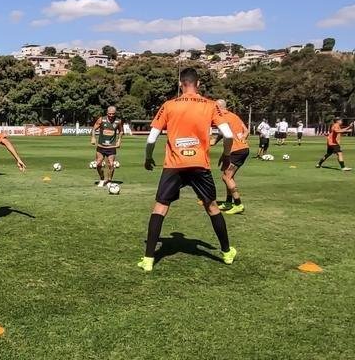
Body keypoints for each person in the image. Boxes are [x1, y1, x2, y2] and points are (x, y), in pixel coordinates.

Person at [139, 67, 237, 271]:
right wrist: (226, 155)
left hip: (174, 164)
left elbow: (151, 138)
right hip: (200, 164)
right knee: (211, 207)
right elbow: (228, 135)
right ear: (198, 84)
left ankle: (148, 259)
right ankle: (227, 253)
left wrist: (148, 157)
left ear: (180, 84)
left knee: (160, 207)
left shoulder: (168, 105)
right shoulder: (211, 105)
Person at [214, 100, 249, 215]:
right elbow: (246, 130)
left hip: (236, 150)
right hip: (242, 149)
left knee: (226, 177)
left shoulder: (222, 117)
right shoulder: (234, 116)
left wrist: (215, 142)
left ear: (218, 107)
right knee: (229, 176)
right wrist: (243, 137)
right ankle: (229, 202)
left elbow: (224, 133)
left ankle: (238, 204)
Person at [90, 105, 124, 187]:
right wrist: (93, 137)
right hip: (101, 146)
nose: (111, 115)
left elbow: (121, 131)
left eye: (113, 114)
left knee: (111, 164)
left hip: (111, 147)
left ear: (115, 113)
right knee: (98, 164)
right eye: (110, 114)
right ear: (107, 113)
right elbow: (94, 129)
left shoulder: (118, 121)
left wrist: (119, 140)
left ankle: (109, 181)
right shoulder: (101, 119)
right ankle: (102, 179)